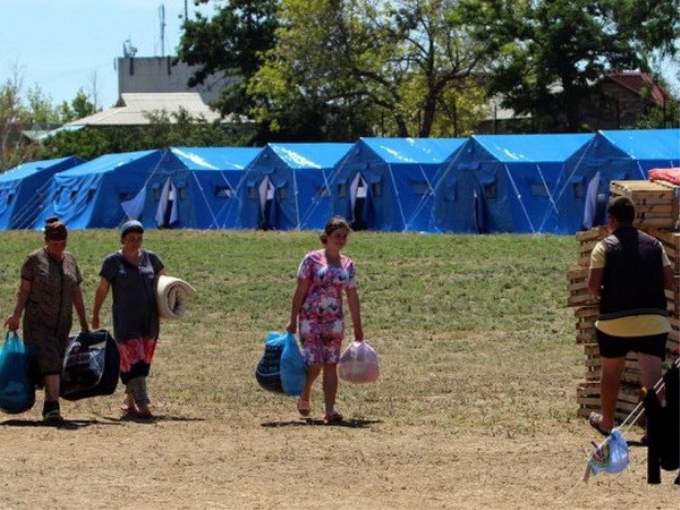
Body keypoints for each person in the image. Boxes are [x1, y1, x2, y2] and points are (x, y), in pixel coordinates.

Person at [587, 196, 673, 436]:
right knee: (654, 378)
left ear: (611, 219)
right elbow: (669, 282)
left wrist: (611, 291)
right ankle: (655, 429)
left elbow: (593, 287)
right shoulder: (655, 245)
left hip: (614, 321)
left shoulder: (603, 246)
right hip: (652, 321)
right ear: (634, 218)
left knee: (611, 371)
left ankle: (607, 422)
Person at [4, 217, 89, 423]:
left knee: (53, 363)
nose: (59, 248)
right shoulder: (33, 260)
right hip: (38, 322)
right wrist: (16, 315)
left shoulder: (70, 260)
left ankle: (46, 404)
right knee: (50, 359)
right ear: (46, 240)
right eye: (54, 244)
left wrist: (84, 321)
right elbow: (23, 291)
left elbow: (76, 292)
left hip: (62, 323)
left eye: (62, 244)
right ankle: (52, 408)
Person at [287, 216, 364, 423]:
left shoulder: (347, 264)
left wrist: (358, 328)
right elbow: (300, 290)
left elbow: (352, 296)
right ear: (327, 236)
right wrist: (292, 319)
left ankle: (330, 410)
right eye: (337, 236)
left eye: (344, 237)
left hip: (334, 320)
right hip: (310, 318)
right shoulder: (311, 260)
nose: (341, 240)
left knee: (331, 363)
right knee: (315, 362)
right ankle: (306, 391)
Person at [91, 220, 167, 419]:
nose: (136, 243)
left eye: (139, 239)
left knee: (143, 360)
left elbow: (165, 284)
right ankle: (143, 405)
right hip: (126, 321)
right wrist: (96, 313)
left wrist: (169, 307)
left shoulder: (151, 258)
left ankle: (129, 402)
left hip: (149, 319)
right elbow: (102, 289)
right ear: (123, 239)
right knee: (134, 359)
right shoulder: (112, 262)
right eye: (131, 239)